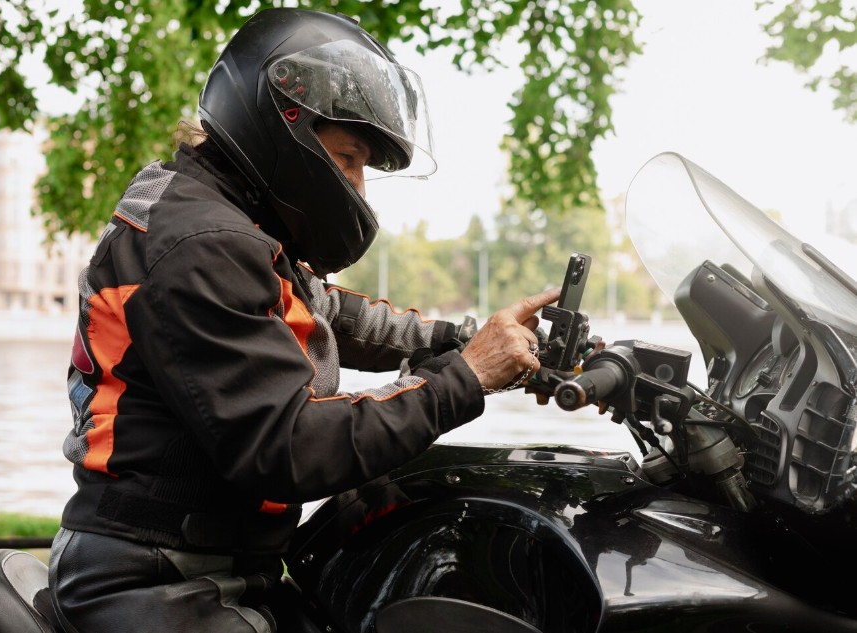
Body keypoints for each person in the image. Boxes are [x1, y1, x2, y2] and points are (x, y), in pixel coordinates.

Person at [49, 7, 561, 633]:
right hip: (152, 579)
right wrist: (466, 376)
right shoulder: (202, 243)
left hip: (216, 565)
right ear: (280, 123)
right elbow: (289, 445)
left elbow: (334, 315)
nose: (358, 188)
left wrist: (464, 340)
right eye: (347, 159)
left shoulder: (230, 221)